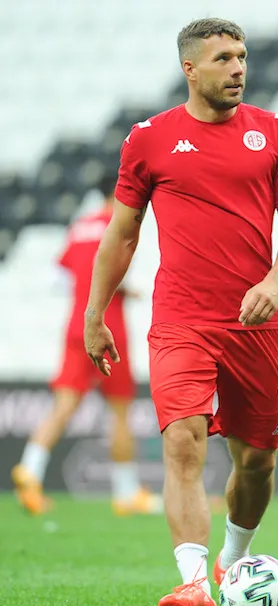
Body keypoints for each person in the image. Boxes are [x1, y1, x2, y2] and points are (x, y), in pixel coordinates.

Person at [83, 18, 278, 606]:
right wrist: (95, 312)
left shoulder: (275, 133)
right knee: (182, 442)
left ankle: (233, 559)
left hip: (254, 324)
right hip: (180, 320)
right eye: (223, 58)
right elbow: (123, 232)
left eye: (242, 56)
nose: (238, 68)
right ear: (190, 69)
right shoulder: (149, 139)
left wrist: (274, 282)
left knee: (256, 462)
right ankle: (192, 583)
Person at [11, 173, 162, 517]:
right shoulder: (118, 223)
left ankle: (30, 468)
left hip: (76, 324)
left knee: (64, 406)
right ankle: (126, 492)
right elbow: (114, 271)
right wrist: (127, 290)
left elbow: (60, 276)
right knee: (119, 411)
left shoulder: (81, 225)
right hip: (108, 326)